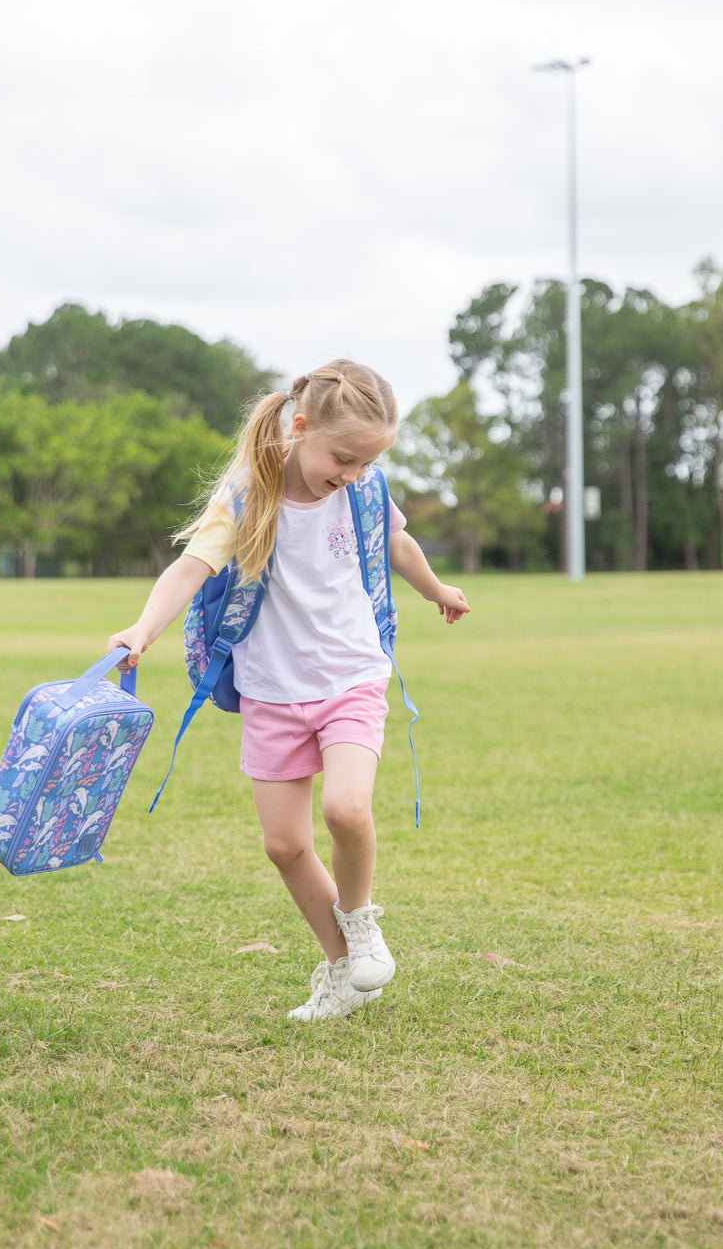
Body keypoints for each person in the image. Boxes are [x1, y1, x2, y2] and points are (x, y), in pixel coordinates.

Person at [108, 359, 469, 1020]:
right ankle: (339, 968)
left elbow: (399, 543)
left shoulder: (362, 492)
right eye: (343, 458)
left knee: (347, 811)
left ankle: (360, 925)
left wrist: (438, 590)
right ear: (299, 428)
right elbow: (191, 568)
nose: (353, 474)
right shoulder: (248, 497)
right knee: (283, 846)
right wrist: (143, 627)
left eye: (365, 462)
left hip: (352, 677)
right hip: (272, 691)